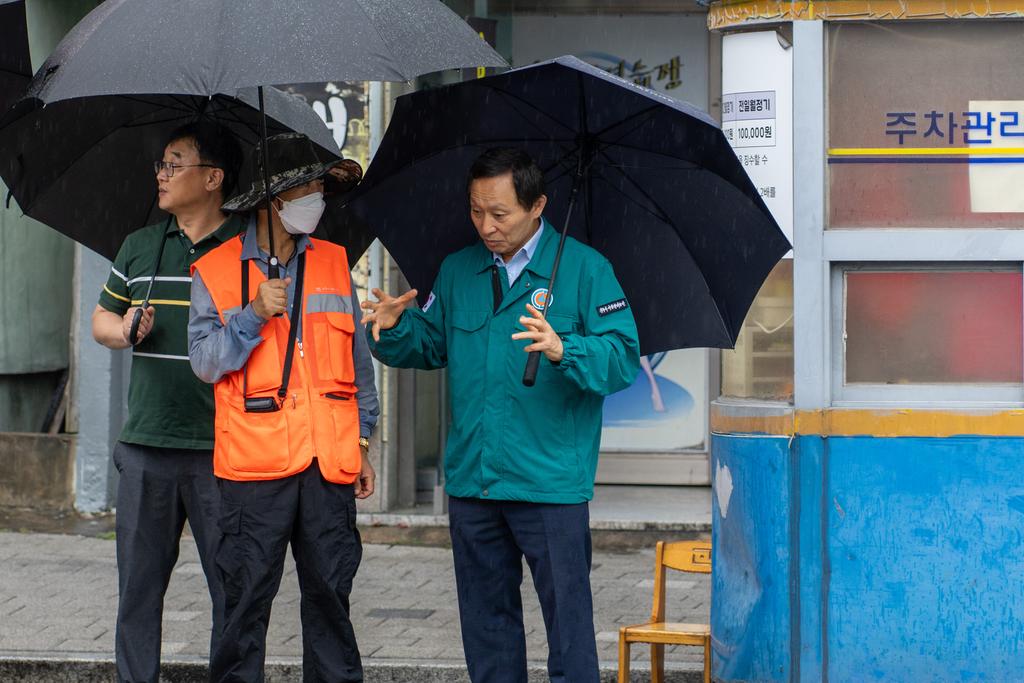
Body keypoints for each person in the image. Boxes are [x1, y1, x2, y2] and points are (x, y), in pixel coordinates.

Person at [362, 147, 641, 683]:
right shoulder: (459, 269)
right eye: (475, 211)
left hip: (550, 484)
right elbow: (432, 345)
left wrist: (566, 349)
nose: (486, 226)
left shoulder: (584, 269)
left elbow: (622, 357)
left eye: (500, 214)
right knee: (487, 631)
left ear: (537, 205)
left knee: (570, 632)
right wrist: (395, 328)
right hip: (474, 482)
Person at [187, 132, 378, 682]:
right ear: (276, 200)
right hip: (256, 469)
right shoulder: (218, 270)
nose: (317, 201)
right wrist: (250, 315)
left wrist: (362, 440)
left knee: (330, 601)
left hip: (329, 464)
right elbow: (204, 361)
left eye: (320, 189)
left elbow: (357, 366)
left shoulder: (336, 262)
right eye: (308, 190)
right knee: (245, 604)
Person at [91, 120, 243, 683]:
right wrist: (125, 327)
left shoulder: (248, 248)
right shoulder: (140, 245)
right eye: (161, 164)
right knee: (137, 591)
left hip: (221, 450)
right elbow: (101, 320)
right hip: (146, 445)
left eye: (174, 164)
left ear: (213, 178)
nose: (161, 174)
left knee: (232, 589)